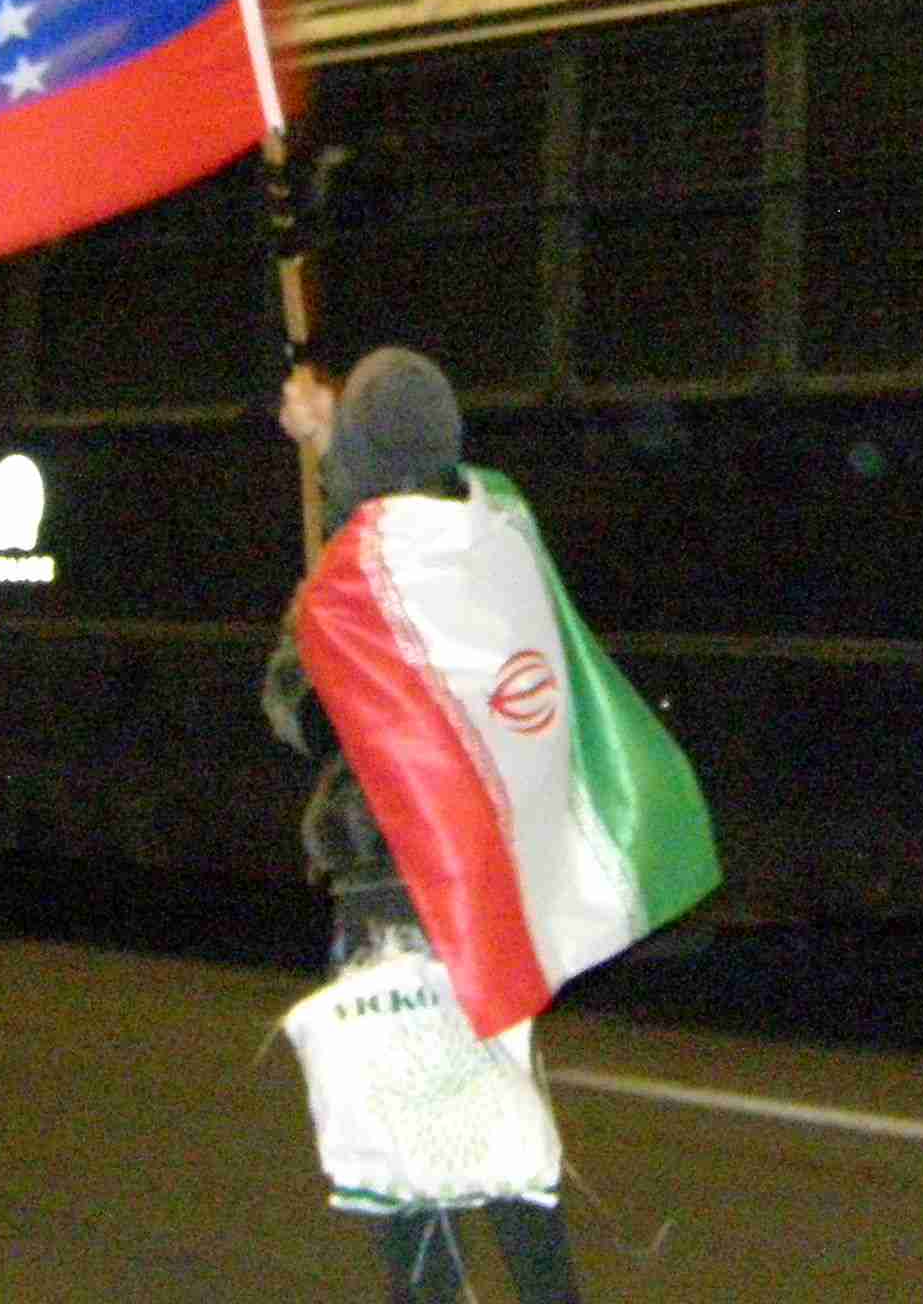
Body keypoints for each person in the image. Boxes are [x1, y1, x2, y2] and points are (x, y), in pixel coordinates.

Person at [261, 350, 584, 1304]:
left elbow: (299, 713)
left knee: (406, 1153)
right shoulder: (500, 544)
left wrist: (325, 553)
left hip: (389, 898)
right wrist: (341, 445)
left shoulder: (353, 582)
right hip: (490, 892)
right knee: (504, 1130)